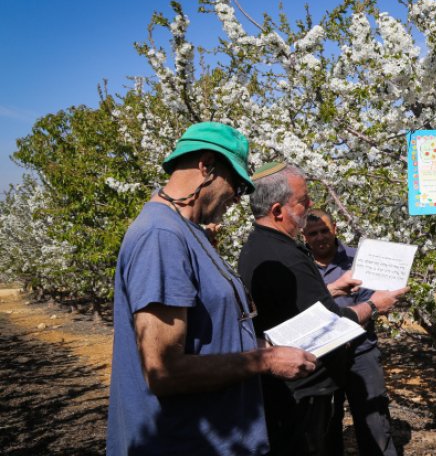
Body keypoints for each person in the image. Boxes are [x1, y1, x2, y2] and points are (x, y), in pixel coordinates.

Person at [106, 122, 317, 456]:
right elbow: (164, 370)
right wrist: (265, 360)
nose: (237, 197)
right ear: (205, 165)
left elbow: (206, 334)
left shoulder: (185, 231)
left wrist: (260, 343)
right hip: (183, 442)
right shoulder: (161, 237)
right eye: (235, 183)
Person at [237, 162, 408, 456]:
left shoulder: (262, 246)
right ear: (278, 211)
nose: (310, 205)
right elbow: (329, 323)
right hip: (305, 389)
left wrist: (332, 288)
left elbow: (296, 306)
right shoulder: (286, 256)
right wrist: (374, 305)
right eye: (303, 201)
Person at [303, 209, 398, 456]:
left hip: (360, 353)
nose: (320, 237)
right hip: (321, 357)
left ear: (335, 228)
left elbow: (370, 303)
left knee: (374, 422)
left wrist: (345, 332)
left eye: (324, 230)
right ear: (304, 236)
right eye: (313, 233)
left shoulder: (358, 260)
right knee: (324, 426)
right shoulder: (302, 267)